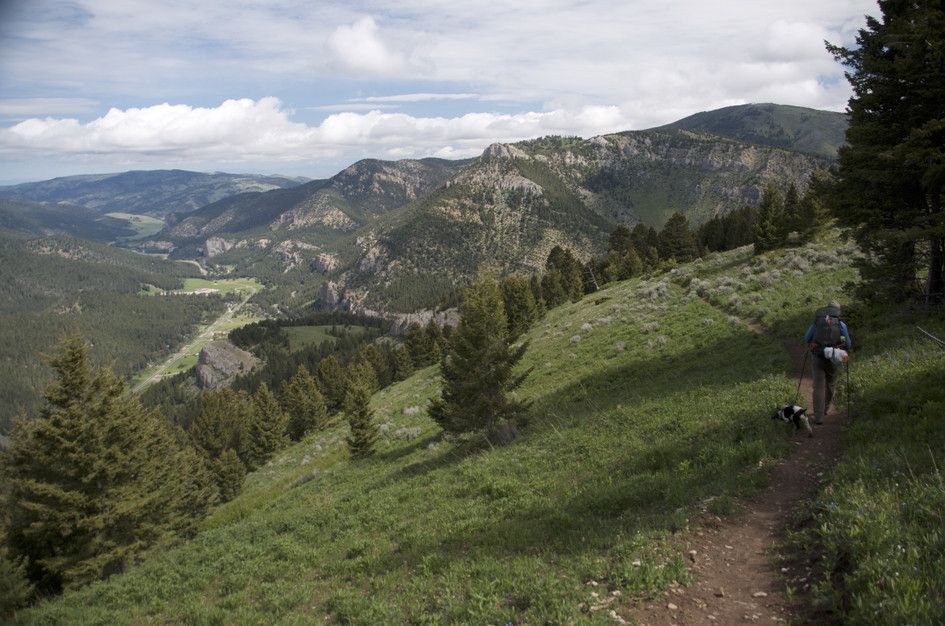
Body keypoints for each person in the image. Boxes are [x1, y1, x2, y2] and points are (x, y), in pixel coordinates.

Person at [804, 300, 852, 425]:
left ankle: (818, 417)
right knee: (831, 384)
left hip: (818, 356)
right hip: (833, 358)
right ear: (838, 311)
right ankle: (825, 409)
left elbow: (807, 338)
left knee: (818, 387)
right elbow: (848, 344)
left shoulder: (818, 322)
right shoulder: (841, 324)